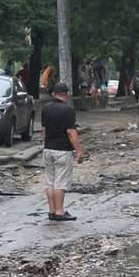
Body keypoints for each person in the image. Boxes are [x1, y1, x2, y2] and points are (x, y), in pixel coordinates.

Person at [41, 82, 84, 221]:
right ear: (65, 94)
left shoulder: (45, 108)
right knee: (60, 183)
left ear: (54, 94)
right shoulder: (67, 110)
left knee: (50, 182)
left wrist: (45, 144)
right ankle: (60, 211)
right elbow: (71, 132)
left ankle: (52, 211)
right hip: (62, 150)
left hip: (48, 149)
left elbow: (44, 130)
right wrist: (79, 151)